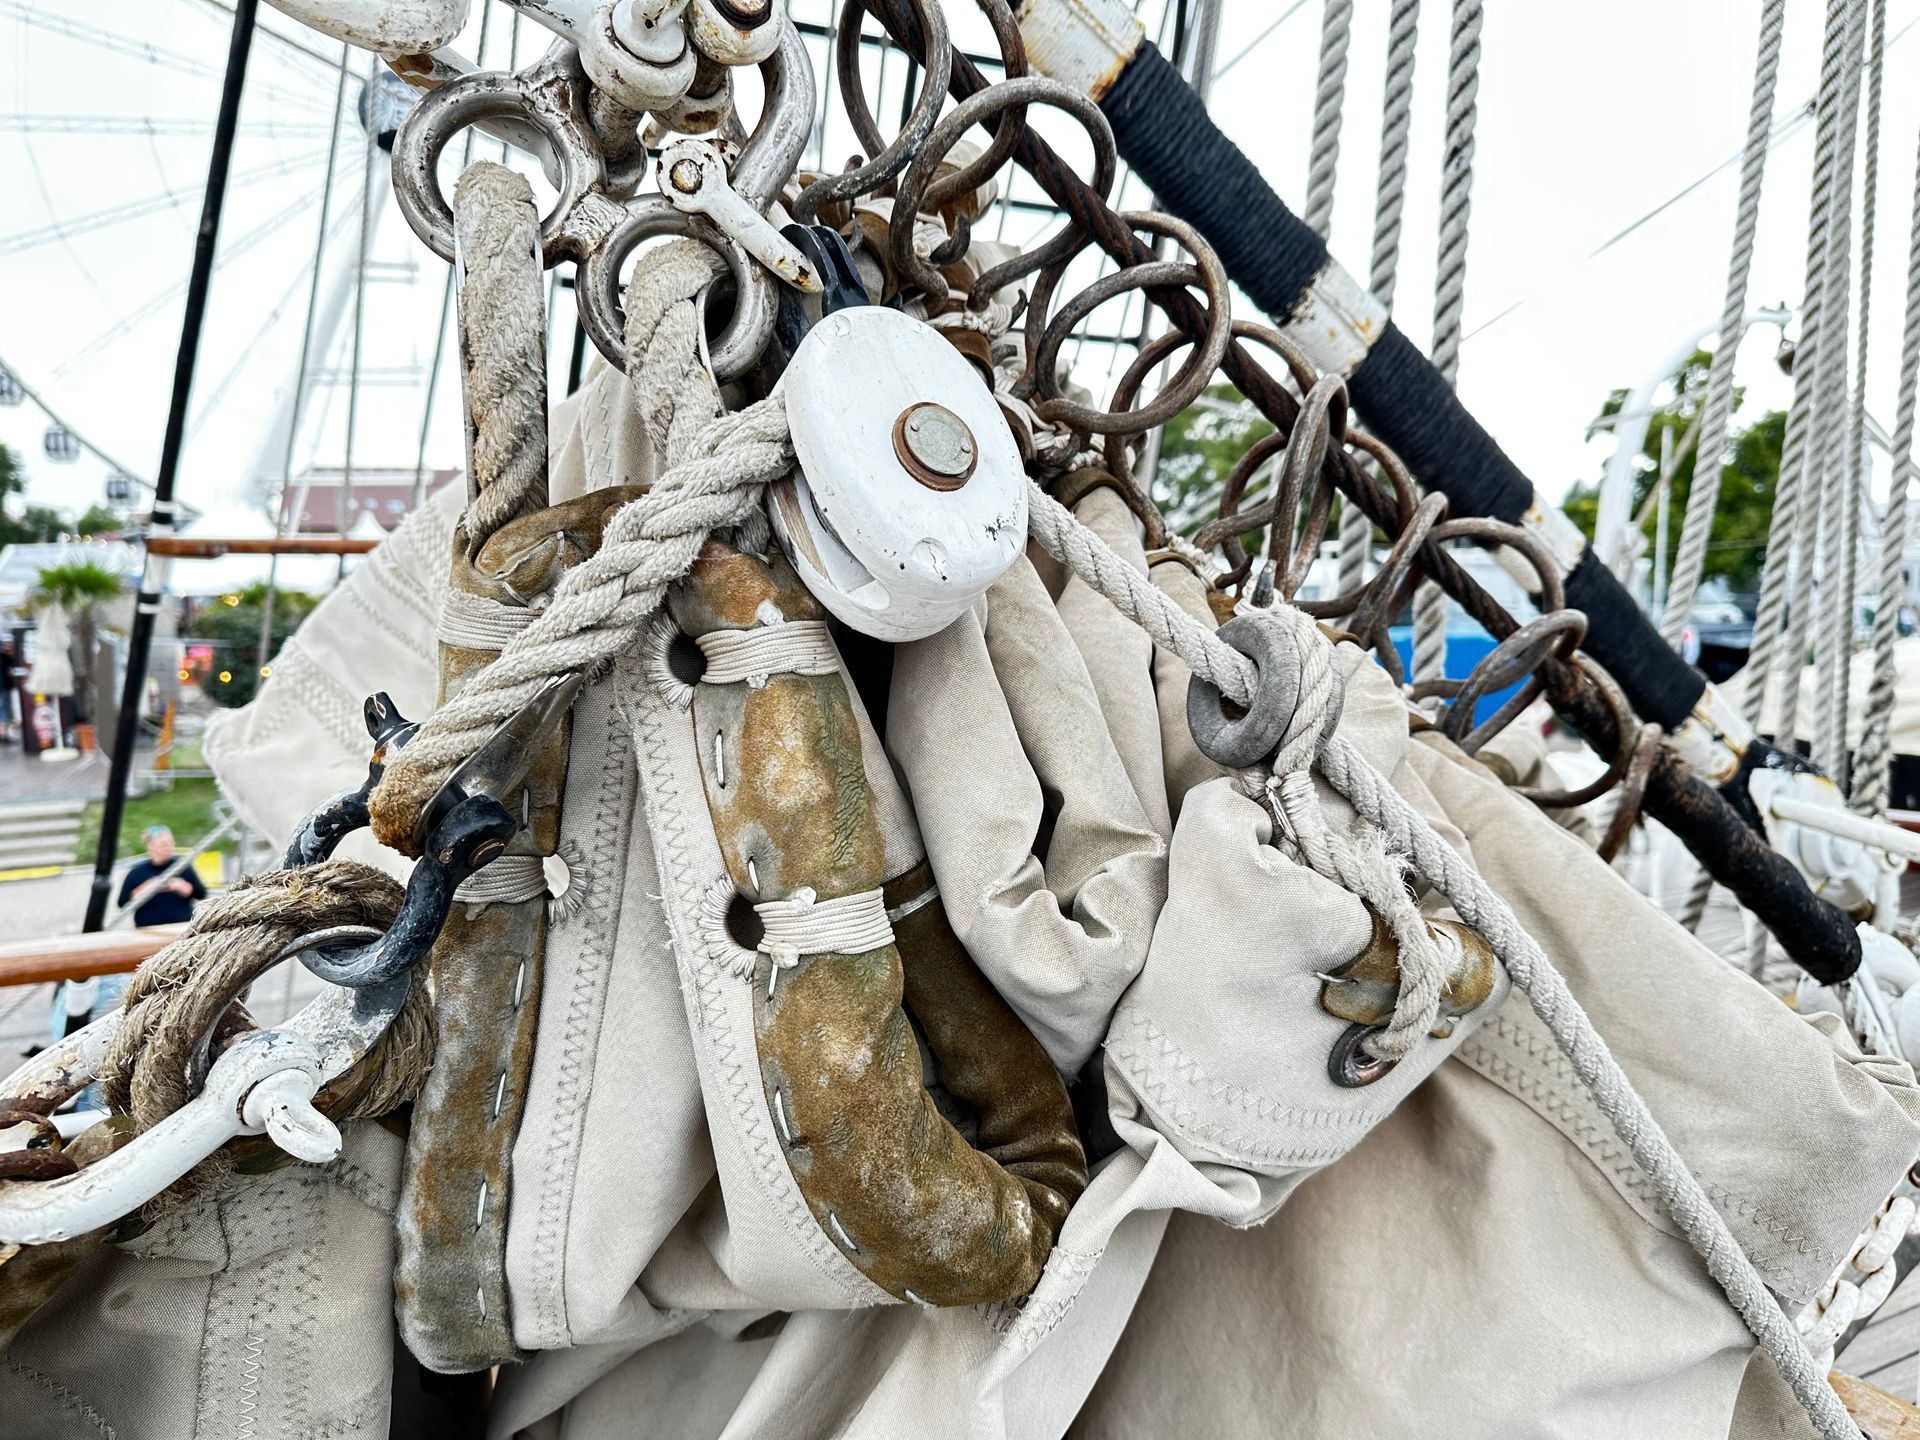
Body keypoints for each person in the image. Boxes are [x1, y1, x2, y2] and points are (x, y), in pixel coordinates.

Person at [118, 824, 206, 926]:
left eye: (170, 842)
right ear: (150, 846)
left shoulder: (182, 867)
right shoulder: (136, 872)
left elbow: (201, 894)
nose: (168, 847)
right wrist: (143, 890)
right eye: (163, 844)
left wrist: (183, 887)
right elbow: (122, 903)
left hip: (181, 928)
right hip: (147, 932)